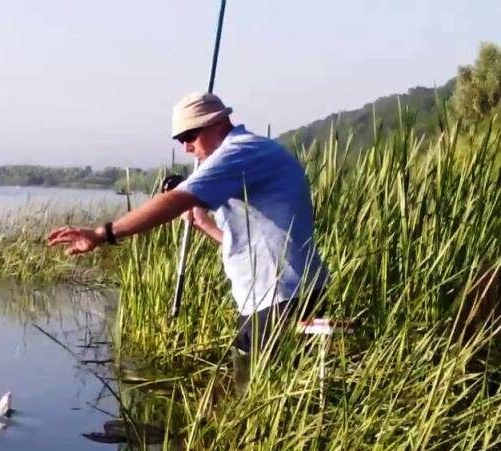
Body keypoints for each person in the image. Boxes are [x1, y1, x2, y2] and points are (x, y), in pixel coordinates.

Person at [47, 92, 328, 355]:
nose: (186, 147)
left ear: (218, 123)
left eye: (190, 135)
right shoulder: (248, 156)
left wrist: (103, 233)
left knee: (263, 394)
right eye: (180, 139)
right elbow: (257, 241)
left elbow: (174, 202)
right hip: (278, 295)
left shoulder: (239, 151)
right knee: (252, 385)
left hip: (281, 298)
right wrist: (204, 224)